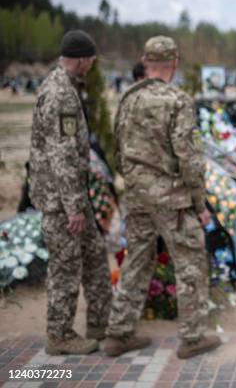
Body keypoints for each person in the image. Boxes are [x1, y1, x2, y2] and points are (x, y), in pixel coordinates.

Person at [105, 35, 221, 359]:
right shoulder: (177, 100)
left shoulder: (128, 98)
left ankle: (118, 333)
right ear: (175, 62)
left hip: (138, 196)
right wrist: (200, 204)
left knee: (136, 262)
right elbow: (189, 157)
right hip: (173, 200)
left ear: (145, 61)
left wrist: (134, 184)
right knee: (191, 263)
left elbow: (117, 148)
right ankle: (193, 336)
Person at [28, 29, 112, 355]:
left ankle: (101, 323)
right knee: (65, 268)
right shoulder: (61, 94)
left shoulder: (65, 87)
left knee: (94, 258)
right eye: (90, 59)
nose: (92, 65)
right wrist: (74, 207)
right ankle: (60, 335)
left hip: (72, 198)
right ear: (80, 59)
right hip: (62, 204)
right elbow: (62, 155)